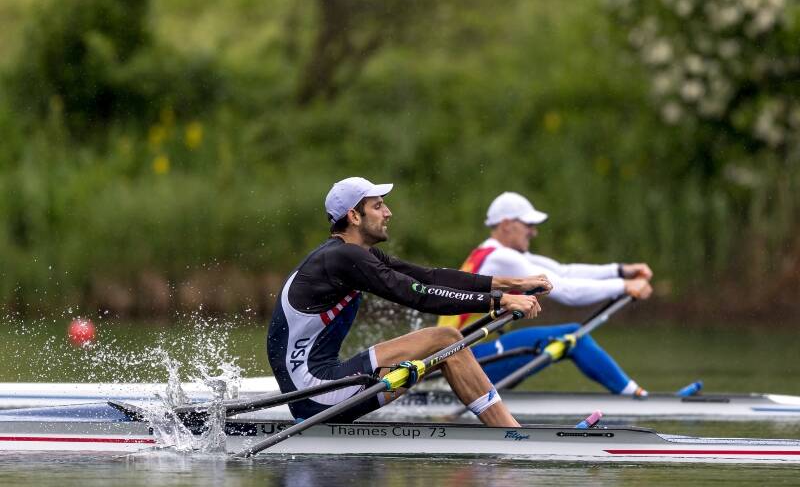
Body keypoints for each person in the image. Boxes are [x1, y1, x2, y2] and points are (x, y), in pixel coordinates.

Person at [267, 178, 553, 427]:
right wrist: (499, 301)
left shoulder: (353, 254)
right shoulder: (343, 258)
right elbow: (420, 296)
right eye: (378, 206)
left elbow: (429, 277)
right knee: (446, 339)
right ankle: (510, 432)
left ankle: (508, 429)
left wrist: (515, 284)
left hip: (320, 387)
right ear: (354, 216)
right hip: (314, 393)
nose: (388, 213)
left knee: (448, 340)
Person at [438, 192, 653, 397]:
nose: (533, 231)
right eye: (528, 225)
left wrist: (620, 270)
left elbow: (564, 271)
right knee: (573, 337)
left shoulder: (491, 253)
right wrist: (623, 286)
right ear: (505, 225)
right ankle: (637, 398)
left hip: (460, 356)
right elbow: (568, 292)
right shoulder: (502, 258)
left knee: (566, 336)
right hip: (463, 360)